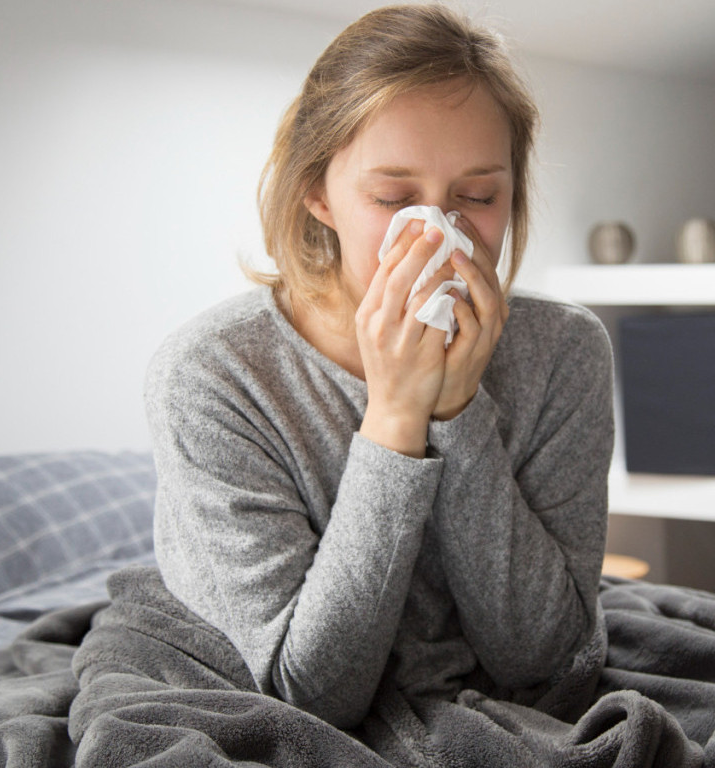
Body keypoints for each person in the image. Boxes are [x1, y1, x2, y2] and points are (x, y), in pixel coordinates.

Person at [143, 3, 614, 733]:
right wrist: (396, 417)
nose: (440, 231)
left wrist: (458, 414)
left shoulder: (564, 350)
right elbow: (312, 694)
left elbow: (547, 662)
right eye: (393, 197)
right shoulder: (214, 375)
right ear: (315, 191)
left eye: (478, 196)